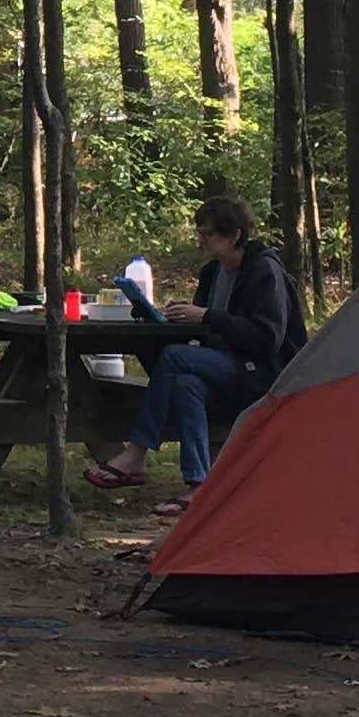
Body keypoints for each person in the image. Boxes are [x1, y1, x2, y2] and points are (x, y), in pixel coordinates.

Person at [86, 194, 298, 497]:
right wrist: (176, 317)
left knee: (175, 357)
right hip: (222, 365)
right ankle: (199, 486)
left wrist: (207, 316)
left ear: (234, 235)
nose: (200, 241)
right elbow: (204, 325)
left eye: (207, 235)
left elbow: (268, 338)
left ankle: (136, 452)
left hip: (261, 371)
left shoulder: (263, 271)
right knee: (186, 385)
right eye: (198, 233)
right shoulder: (212, 273)